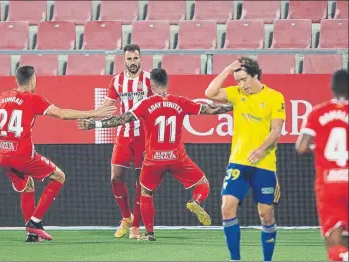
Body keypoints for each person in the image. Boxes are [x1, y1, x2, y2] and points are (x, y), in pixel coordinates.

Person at [0, 65, 116, 242]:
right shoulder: (33, 98)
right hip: (23, 155)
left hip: (3, 154)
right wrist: (95, 113)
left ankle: (31, 234)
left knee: (28, 186)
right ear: (33, 79)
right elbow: (62, 114)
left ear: (16, 80)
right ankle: (35, 222)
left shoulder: (1, 97)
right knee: (59, 176)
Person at [78, 68, 233, 241]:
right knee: (202, 183)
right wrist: (233, 106)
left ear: (151, 85)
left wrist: (95, 125)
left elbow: (122, 119)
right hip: (176, 157)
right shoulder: (180, 101)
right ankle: (196, 201)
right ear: (167, 83)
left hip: (153, 159)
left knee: (146, 192)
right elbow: (210, 109)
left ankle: (149, 233)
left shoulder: (146, 103)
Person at [205, 57, 285, 261]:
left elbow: (276, 131)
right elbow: (210, 93)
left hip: (264, 165)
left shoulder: (275, 97)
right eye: (238, 80)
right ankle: (235, 259)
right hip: (239, 162)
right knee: (226, 207)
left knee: (266, 215)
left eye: (243, 79)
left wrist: (260, 150)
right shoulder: (236, 93)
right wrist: (227, 69)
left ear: (255, 76)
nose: (241, 85)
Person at [97, 44, 152, 239]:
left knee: (140, 182)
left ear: (141, 59)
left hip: (144, 137)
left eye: (135, 58)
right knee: (115, 178)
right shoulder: (117, 81)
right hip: (123, 134)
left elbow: (157, 106)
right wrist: (92, 117)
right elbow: (107, 106)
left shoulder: (149, 80)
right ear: (124, 61)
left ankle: (135, 226)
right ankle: (126, 217)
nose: (133, 62)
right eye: (129, 59)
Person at [296, 69, 348, 262]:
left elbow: (301, 147)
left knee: (334, 246)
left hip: (329, 184)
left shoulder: (318, 112)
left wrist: (319, 147)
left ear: (331, 88)